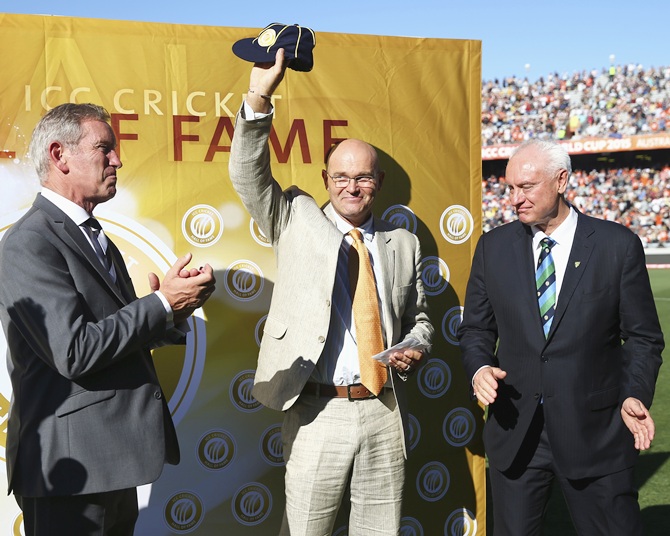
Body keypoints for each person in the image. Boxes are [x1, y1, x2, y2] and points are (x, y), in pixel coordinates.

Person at [228, 49, 433, 535]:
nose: (351, 186)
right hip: (316, 411)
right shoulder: (295, 217)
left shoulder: (403, 243)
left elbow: (421, 318)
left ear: (378, 183)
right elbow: (247, 176)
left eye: (362, 177)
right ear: (326, 180)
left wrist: (417, 346)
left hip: (383, 410)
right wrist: (260, 95)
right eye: (340, 177)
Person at [0, 103, 216, 536]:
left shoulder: (94, 236)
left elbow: (109, 339)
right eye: (105, 148)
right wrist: (159, 305)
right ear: (60, 156)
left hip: (108, 461)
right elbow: (75, 351)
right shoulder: (29, 243)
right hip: (70, 471)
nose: (117, 160)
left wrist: (172, 309)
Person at [458, 138, 663, 535]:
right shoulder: (492, 248)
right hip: (515, 433)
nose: (514, 198)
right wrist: (480, 366)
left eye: (526, 187)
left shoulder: (616, 246)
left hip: (596, 434)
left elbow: (643, 339)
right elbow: (477, 329)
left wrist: (635, 392)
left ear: (561, 181)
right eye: (510, 188)